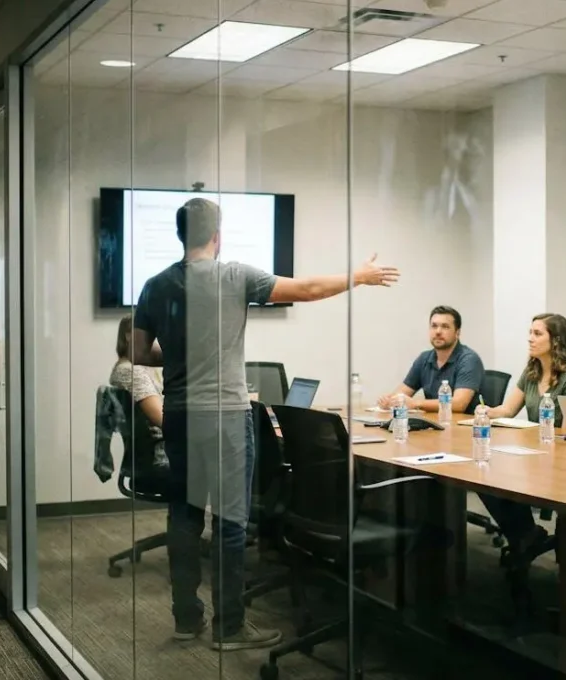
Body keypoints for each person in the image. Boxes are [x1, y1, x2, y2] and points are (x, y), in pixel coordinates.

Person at [127, 198, 399, 650]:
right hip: (227, 417)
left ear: (180, 235)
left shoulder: (154, 286)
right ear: (218, 236)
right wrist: (359, 276)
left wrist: (176, 356)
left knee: (184, 515)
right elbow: (308, 289)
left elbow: (138, 353)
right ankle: (229, 629)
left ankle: (186, 620)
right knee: (231, 521)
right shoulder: (235, 275)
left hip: (178, 414)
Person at [479, 313, 566, 565]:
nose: (530, 339)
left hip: (562, 458)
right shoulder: (532, 371)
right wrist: (486, 412)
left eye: (537, 333)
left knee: (503, 477)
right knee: (485, 476)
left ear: (556, 341)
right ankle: (525, 534)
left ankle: (528, 537)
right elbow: (507, 410)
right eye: (530, 332)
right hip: (534, 453)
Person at [376, 306, 484, 413]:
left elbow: (459, 404)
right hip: (434, 424)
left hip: (463, 427)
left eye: (445, 327)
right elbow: (402, 394)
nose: (438, 331)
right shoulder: (424, 358)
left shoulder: (469, 359)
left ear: (457, 333)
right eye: (434, 326)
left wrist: (416, 404)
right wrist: (389, 401)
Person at [110, 314, 164, 447]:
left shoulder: (131, 368)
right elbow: (162, 419)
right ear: (129, 336)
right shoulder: (130, 371)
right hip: (161, 450)